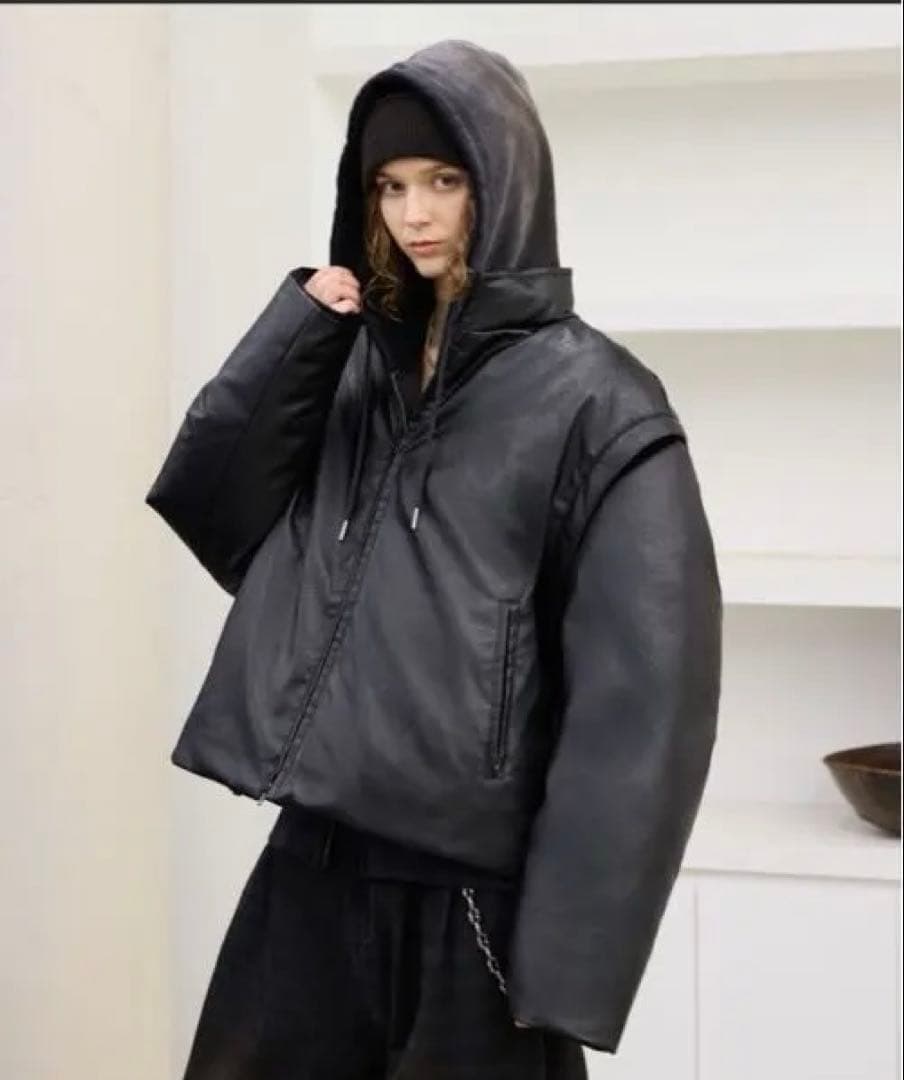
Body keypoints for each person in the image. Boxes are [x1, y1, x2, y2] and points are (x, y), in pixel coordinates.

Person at [145, 38, 722, 1079]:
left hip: (469, 894)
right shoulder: (352, 366)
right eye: (391, 185)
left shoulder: (600, 403)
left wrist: (567, 968)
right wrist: (295, 336)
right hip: (313, 861)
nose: (415, 214)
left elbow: (643, 709)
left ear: (503, 186)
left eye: (445, 182)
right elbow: (216, 516)